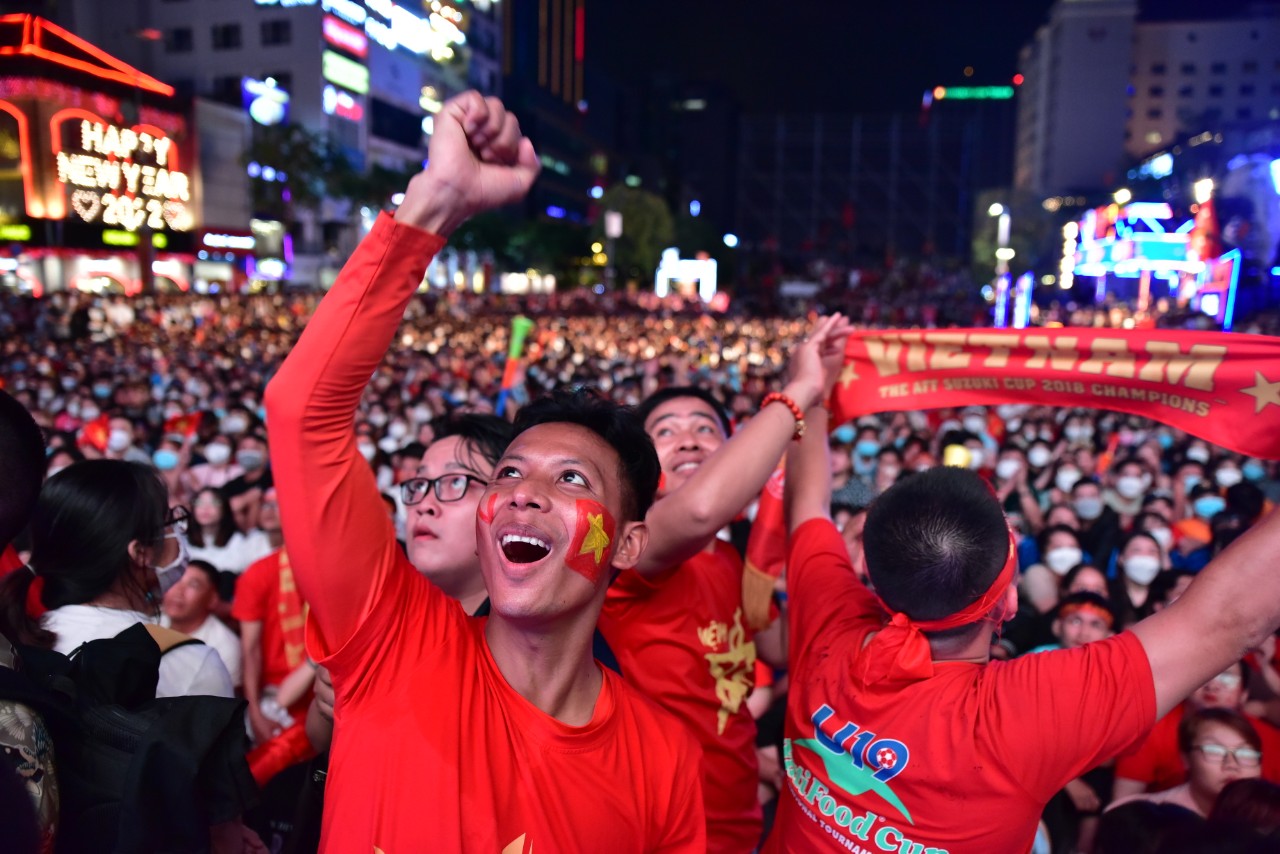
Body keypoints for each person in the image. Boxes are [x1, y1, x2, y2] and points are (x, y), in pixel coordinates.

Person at [265, 91, 704, 851]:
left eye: (572, 481)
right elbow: (302, 412)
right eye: (507, 473)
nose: (524, 493)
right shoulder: (390, 643)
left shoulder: (662, 760)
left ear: (627, 545)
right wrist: (435, 205)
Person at [770, 367, 1280, 851]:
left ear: (870, 578)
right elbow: (1229, 616)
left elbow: (806, 508)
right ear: (1009, 602)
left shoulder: (829, 619)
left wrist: (811, 389)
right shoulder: (1021, 715)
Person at [599, 321, 845, 854]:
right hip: (656, 829)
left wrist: (819, 394)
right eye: (664, 431)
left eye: (705, 428)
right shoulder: (631, 548)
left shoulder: (735, 561)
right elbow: (700, 509)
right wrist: (796, 390)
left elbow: (779, 648)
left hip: (736, 817)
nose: (688, 438)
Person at [0, 461, 233, 699]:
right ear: (141, 552)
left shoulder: (18, 639)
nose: (178, 533)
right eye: (171, 521)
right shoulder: (191, 663)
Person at [1108, 708, 1264, 817]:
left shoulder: (1272, 821)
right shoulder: (1140, 816)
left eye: (1245, 753)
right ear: (1186, 758)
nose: (1231, 764)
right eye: (1214, 750)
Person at [161, 558, 243, 688]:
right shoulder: (150, 621)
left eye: (193, 585)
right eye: (175, 580)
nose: (179, 591)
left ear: (212, 600)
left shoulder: (225, 648)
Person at [188, 487, 272, 575]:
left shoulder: (240, 541)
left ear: (224, 508)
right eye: (199, 502)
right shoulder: (183, 542)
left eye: (214, 502)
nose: (205, 508)